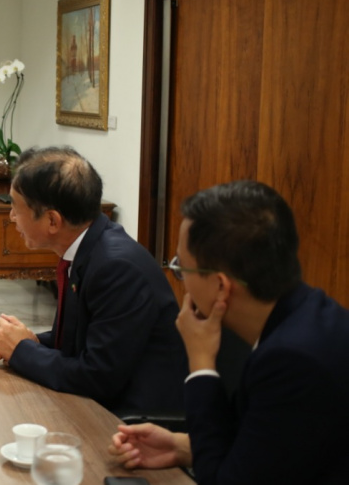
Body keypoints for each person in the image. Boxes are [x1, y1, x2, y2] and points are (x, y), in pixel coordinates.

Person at [108, 180, 349, 484]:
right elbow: (267, 446)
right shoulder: (304, 311)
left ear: (220, 286)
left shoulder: (293, 359)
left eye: (181, 267)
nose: (179, 278)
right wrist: (185, 446)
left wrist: (201, 364)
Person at [0, 146, 186, 413]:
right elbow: (73, 339)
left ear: (52, 221)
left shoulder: (116, 268)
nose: (11, 217)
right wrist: (26, 340)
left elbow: (96, 377)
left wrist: (21, 350)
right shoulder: (88, 246)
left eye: (15, 208)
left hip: (133, 421)